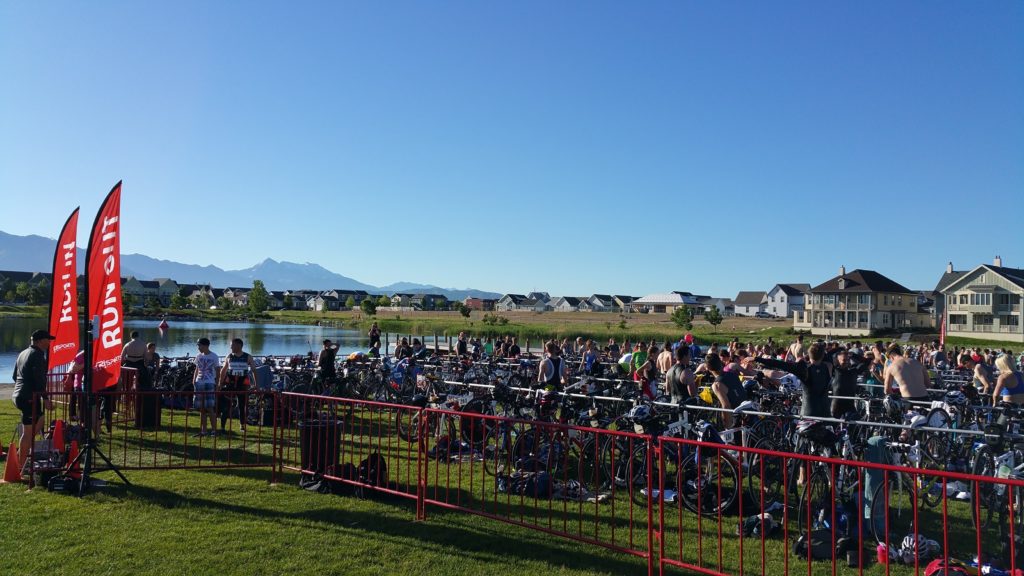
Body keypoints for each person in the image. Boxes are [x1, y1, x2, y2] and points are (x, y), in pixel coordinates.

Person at [12, 330, 55, 473]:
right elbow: (39, 380)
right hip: (28, 396)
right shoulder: (37, 355)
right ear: (39, 341)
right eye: (47, 339)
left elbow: (14, 376)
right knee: (28, 432)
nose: (49, 342)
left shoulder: (22, 353)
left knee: (40, 419)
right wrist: (46, 398)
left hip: (19, 395)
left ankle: (22, 455)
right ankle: (20, 465)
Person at [757, 343, 832, 418]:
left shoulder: (805, 369)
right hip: (825, 413)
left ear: (809, 355)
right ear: (822, 355)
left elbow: (781, 364)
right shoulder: (828, 367)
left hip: (809, 414)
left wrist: (757, 359)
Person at [217, 338, 257, 433]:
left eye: (232, 345)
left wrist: (256, 384)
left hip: (242, 384)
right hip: (230, 384)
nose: (231, 347)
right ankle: (222, 427)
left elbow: (254, 371)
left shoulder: (248, 357)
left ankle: (242, 425)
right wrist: (220, 383)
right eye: (230, 346)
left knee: (242, 405)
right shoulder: (229, 356)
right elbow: (223, 371)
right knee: (226, 406)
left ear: (239, 346)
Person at [705, 352, 744, 428]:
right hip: (744, 409)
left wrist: (727, 427)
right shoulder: (732, 374)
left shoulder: (717, 385)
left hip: (735, 414)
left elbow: (726, 406)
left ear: (708, 367)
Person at [193, 337, 220, 437]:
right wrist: (194, 380)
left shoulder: (214, 356)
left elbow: (218, 370)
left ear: (205, 345)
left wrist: (217, 383)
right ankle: (203, 430)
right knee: (201, 408)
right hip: (199, 382)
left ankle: (214, 430)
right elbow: (197, 368)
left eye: (199, 345)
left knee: (209, 407)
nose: (198, 347)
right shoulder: (198, 356)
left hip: (209, 383)